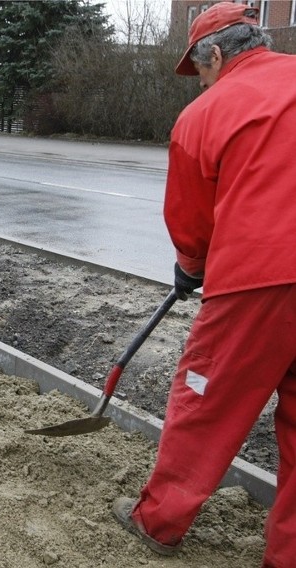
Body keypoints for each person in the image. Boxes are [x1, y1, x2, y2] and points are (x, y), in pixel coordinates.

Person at [111, 3, 296, 565]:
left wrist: (191, 267)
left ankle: (158, 519)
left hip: (261, 281)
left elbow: (191, 224)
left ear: (214, 54)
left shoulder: (205, 115)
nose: (203, 82)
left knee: (204, 400)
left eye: (202, 70)